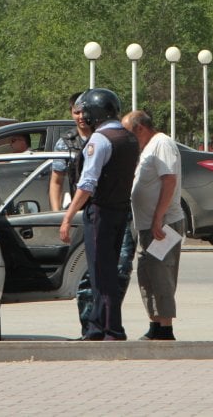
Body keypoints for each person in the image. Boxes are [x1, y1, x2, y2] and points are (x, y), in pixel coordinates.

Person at [52, 91, 137, 338]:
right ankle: (97, 327)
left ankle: (110, 329)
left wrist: (67, 216)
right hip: (120, 210)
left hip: (100, 212)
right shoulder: (128, 137)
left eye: (86, 112)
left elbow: (87, 184)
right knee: (107, 270)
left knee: (101, 273)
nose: (83, 117)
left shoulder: (100, 140)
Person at [122, 109, 183, 341]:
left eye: (129, 133)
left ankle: (166, 328)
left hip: (163, 224)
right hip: (146, 225)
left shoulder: (162, 144)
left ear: (140, 128)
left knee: (161, 274)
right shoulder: (147, 147)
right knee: (147, 275)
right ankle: (155, 324)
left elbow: (169, 181)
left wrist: (158, 217)